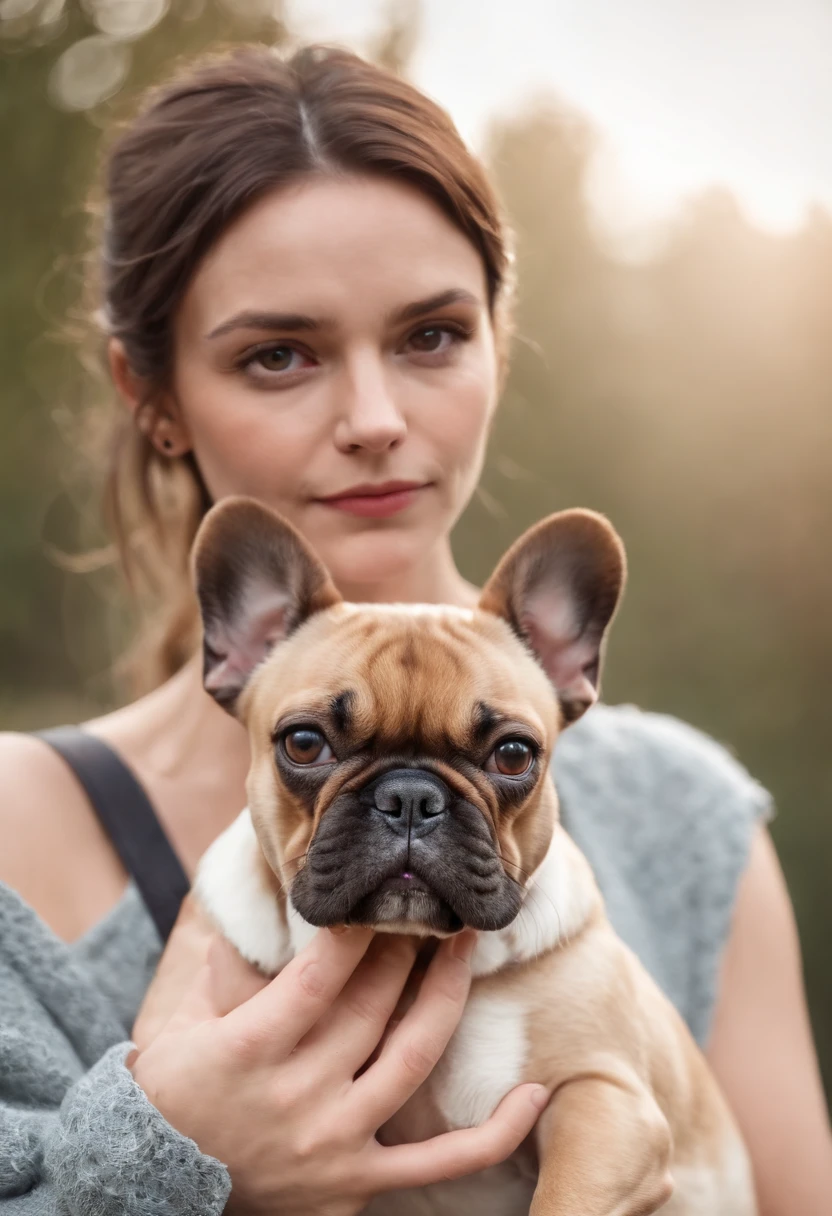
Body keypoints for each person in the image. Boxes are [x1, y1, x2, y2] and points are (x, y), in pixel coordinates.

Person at [0, 42, 829, 1215]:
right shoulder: (9, 845)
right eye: (278, 354)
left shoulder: (682, 822)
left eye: (431, 335)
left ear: (500, 338)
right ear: (154, 397)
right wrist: (171, 1167)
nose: (375, 418)